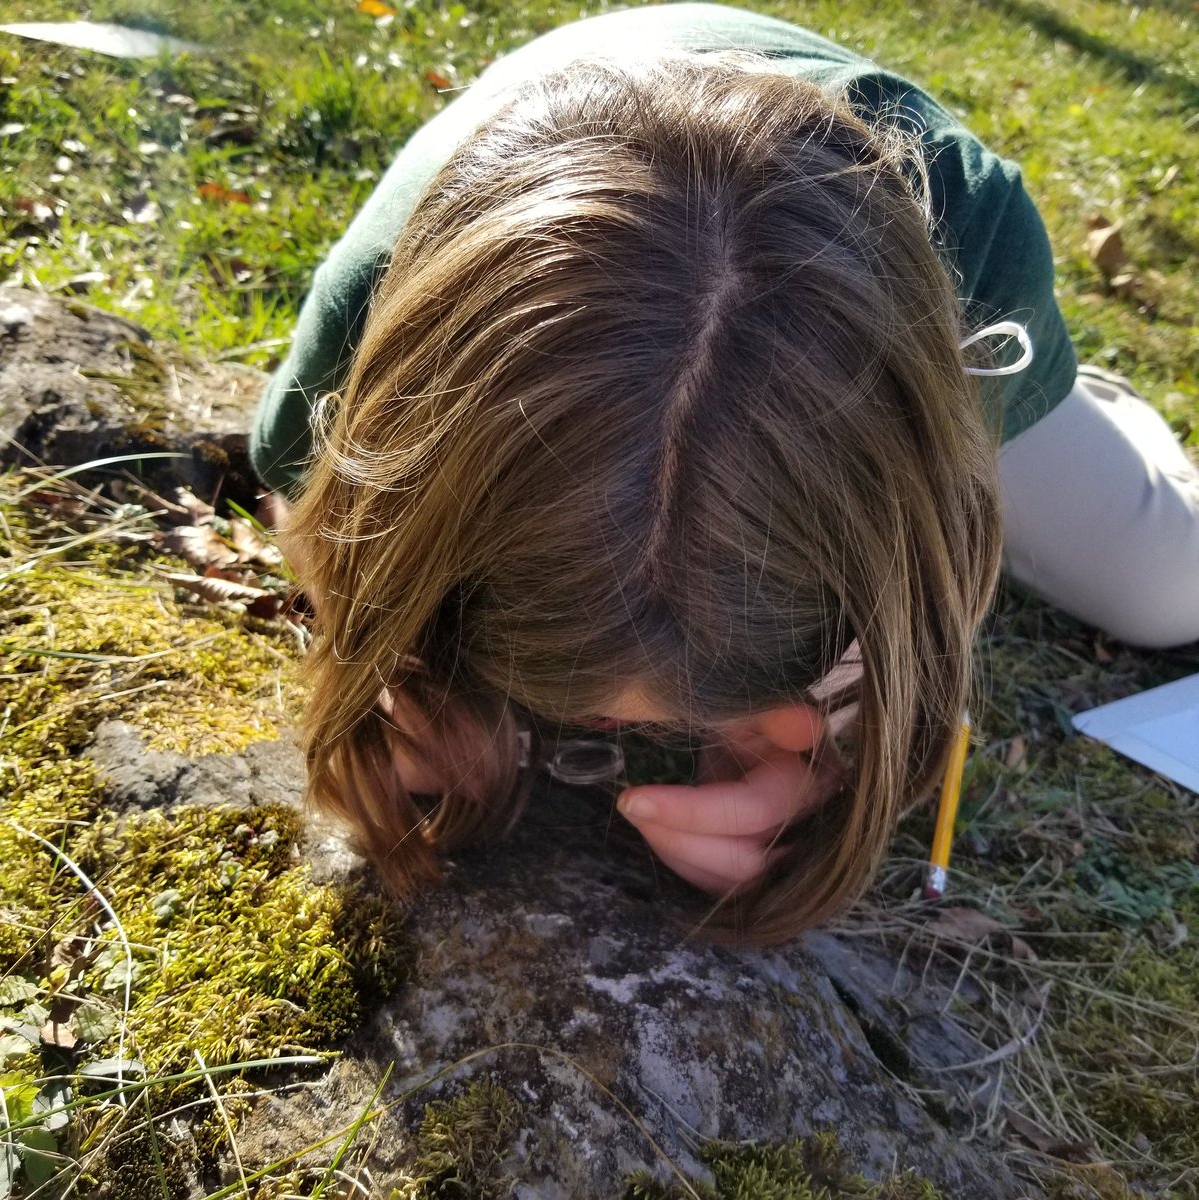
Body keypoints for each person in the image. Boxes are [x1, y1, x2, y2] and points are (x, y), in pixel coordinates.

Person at [250, 4, 1199, 943]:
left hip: (961, 338)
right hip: (546, 124)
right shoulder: (380, 300)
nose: (628, 743)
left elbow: (937, 546)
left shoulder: (977, 233)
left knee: (1169, 591)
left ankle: (1067, 395)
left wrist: (849, 718)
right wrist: (415, 684)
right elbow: (314, 512)